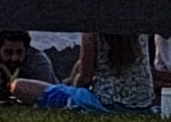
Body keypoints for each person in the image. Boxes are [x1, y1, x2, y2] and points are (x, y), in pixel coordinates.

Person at [13, 31, 156, 114]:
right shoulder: (140, 30)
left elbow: (85, 78)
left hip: (104, 105)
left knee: (19, 85)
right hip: (142, 105)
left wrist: (74, 85)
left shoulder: (91, 32)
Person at [0, 29, 54, 101]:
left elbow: (48, 94)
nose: (14, 58)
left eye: (19, 52)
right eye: (8, 52)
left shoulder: (39, 61)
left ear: (26, 50)